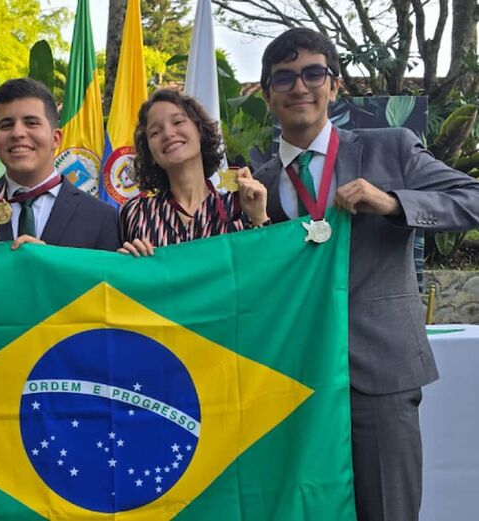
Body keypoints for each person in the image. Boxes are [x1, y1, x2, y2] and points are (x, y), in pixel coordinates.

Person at [253, 27, 479, 520]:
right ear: (267, 94)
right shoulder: (261, 182)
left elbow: (473, 199)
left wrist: (393, 201)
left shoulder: (389, 149)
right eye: (284, 77)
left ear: (335, 86)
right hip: (294, 380)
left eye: (314, 72)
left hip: (377, 371)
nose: (300, 86)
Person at [0, 78, 119, 251]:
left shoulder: (101, 217)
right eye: (7, 125)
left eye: (31, 123)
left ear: (55, 139)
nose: (18, 133)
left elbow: (107, 278)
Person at [118, 89, 270, 256]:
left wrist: (260, 218)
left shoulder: (240, 207)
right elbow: (115, 279)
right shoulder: (135, 213)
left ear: (200, 131)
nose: (168, 134)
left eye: (177, 122)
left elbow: (268, 269)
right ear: (150, 153)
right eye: (155, 132)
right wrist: (126, 263)